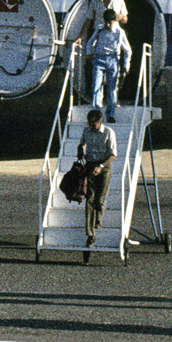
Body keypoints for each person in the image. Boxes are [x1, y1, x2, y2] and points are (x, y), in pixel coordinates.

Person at [77, 108, 115, 258]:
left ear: (100, 122)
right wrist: (80, 150)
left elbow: (113, 154)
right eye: (90, 124)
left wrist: (101, 167)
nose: (91, 127)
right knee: (90, 199)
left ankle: (98, 219)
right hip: (91, 165)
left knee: (100, 198)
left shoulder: (108, 133)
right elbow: (82, 144)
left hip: (104, 167)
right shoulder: (87, 131)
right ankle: (90, 234)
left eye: (93, 124)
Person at [83, 9, 132, 120]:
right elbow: (90, 42)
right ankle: (96, 112)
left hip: (113, 59)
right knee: (96, 85)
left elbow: (127, 50)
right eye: (106, 22)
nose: (108, 25)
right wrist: (89, 53)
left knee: (112, 88)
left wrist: (126, 64)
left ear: (114, 21)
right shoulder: (100, 29)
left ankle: (110, 113)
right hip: (99, 58)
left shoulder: (119, 32)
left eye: (110, 22)